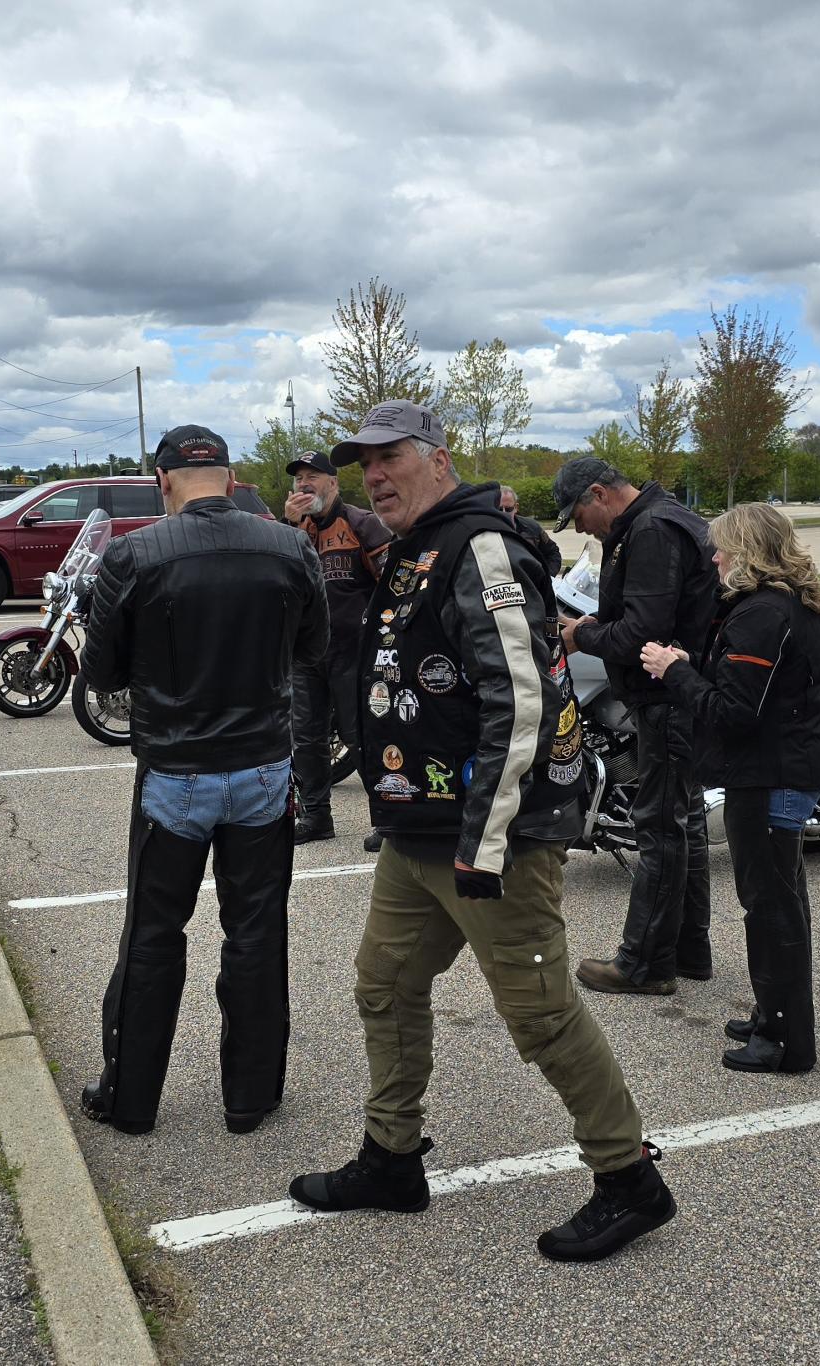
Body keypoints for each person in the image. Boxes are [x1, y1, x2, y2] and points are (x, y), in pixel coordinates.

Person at [288, 401, 676, 1263]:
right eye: (364, 464)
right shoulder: (417, 545)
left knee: (540, 1014)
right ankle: (391, 1159)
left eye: (390, 457)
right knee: (385, 985)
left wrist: (485, 839)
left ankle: (630, 1180)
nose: (374, 476)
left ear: (438, 458)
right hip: (417, 829)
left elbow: (522, 702)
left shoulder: (481, 546)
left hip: (493, 836)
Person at [79, 425, 328, 1135]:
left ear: (162, 482)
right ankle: (250, 1098)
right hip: (261, 768)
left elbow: (101, 672)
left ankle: (130, 1100)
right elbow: (313, 647)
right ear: (231, 477)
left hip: (176, 771)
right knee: (256, 932)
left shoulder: (135, 552)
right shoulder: (290, 547)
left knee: (153, 934)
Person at [640, 503, 820, 1074]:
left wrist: (674, 671)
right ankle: (773, 1014)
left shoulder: (762, 614)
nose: (715, 558)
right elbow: (754, 692)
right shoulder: (786, 602)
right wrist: (693, 664)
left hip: (769, 775)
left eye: (722, 547)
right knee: (780, 902)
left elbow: (734, 712)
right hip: (779, 767)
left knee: (771, 910)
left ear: (747, 550)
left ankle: (784, 1040)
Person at [553, 457, 716, 995]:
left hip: (666, 699)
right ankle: (688, 949)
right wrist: (596, 624)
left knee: (660, 828)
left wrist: (581, 636)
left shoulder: (650, 530)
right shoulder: (660, 519)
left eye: (579, 516)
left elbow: (642, 634)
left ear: (599, 494)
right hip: (677, 696)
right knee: (684, 823)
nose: (581, 529)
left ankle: (645, 964)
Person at [283, 449, 390, 851]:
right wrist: (290, 528)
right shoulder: (293, 530)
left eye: (313, 476)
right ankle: (316, 817)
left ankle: (387, 818)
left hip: (354, 652)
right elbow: (281, 580)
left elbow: (392, 586)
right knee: (306, 738)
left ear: (333, 482)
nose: (304, 484)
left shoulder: (362, 523)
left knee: (360, 735)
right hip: (306, 653)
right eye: (299, 478)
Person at [498, 484, 563, 580]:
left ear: (516, 507)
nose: (504, 513)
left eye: (508, 509)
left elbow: (553, 553)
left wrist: (547, 578)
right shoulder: (484, 532)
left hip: (532, 584)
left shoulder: (532, 528)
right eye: (499, 509)